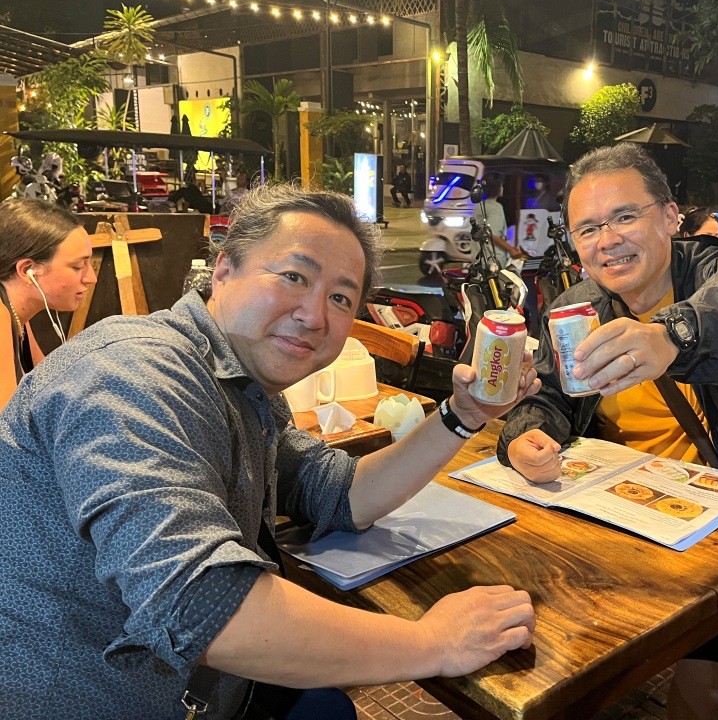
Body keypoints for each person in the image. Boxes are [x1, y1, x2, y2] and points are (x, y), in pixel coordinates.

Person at [0, 184, 540, 719]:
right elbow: (202, 605)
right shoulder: (132, 373)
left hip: (215, 693)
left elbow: (340, 493)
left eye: (340, 298)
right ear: (224, 269)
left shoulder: (241, 387)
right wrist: (434, 643)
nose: (315, 315)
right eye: (293, 277)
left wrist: (462, 415)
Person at [498, 143, 718, 720]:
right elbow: (551, 395)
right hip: (613, 511)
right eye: (588, 229)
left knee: (713, 692)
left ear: (670, 216)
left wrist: (670, 335)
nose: (607, 240)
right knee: (516, 628)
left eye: (625, 216)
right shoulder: (576, 309)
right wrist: (525, 435)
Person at [0, 197, 96, 411]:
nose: (91, 278)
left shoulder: (17, 314)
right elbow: (7, 422)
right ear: (27, 270)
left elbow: (50, 386)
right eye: (78, 266)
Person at [472, 171, 523, 267]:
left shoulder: (480, 206)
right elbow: (493, 234)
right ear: (497, 188)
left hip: (479, 257)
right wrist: (511, 249)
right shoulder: (495, 207)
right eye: (501, 185)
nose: (502, 188)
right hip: (493, 259)